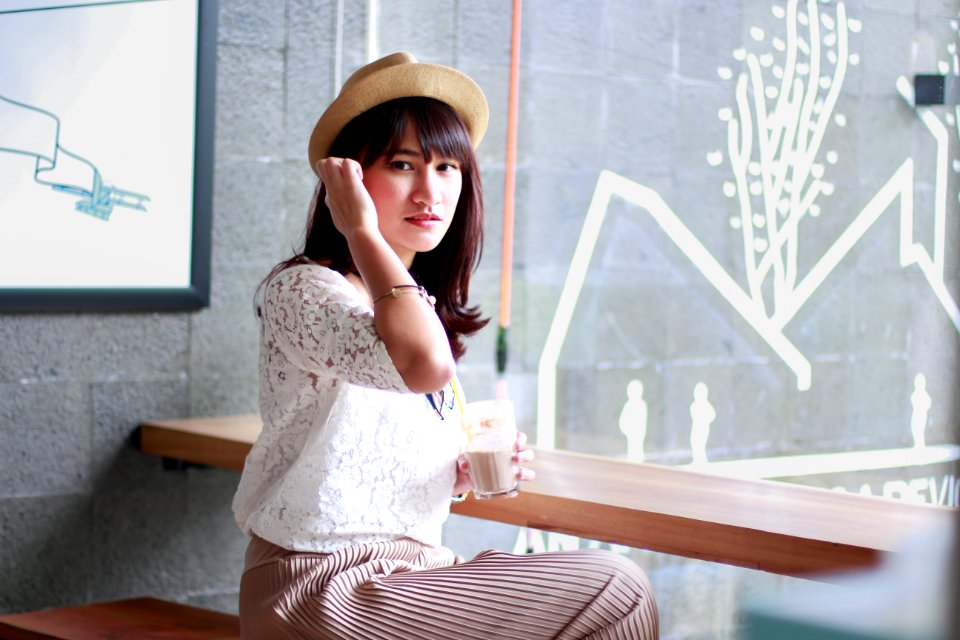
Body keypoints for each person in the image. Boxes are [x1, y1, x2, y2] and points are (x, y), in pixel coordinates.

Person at [232, 51, 659, 639]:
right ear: (350, 178)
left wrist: (453, 471)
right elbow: (423, 364)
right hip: (320, 585)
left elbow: (372, 438)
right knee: (615, 588)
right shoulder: (305, 289)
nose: (429, 192)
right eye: (403, 165)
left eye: (447, 167)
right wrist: (358, 228)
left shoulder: (417, 308)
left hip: (406, 578)